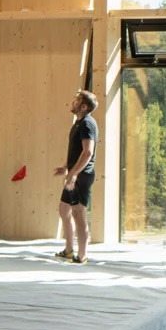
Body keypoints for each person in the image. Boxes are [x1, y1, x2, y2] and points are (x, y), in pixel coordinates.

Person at [58, 90, 97, 262]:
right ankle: (68, 249)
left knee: (78, 214)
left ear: (84, 106)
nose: (73, 101)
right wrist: (66, 167)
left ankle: (82, 255)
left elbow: (88, 152)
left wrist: (73, 174)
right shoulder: (78, 123)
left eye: (77, 100)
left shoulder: (87, 124)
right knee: (64, 209)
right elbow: (77, 152)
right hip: (74, 175)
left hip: (82, 176)